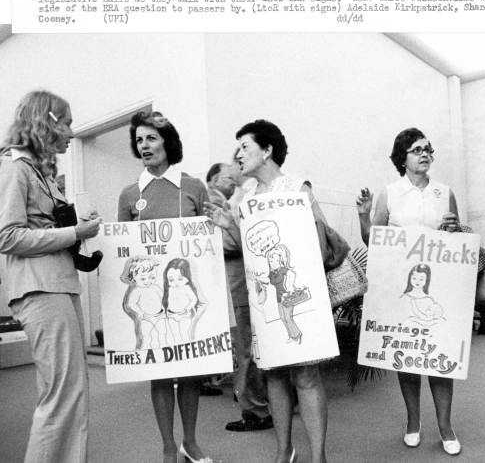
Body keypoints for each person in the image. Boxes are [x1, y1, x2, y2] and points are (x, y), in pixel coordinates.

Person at [206, 120, 330, 463]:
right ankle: (283, 450)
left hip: (297, 287)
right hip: (261, 295)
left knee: (306, 373)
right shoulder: (244, 195)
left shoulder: (296, 187)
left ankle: (318, 456)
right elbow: (240, 246)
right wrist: (226, 225)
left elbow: (318, 243)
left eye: (245, 147)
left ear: (268, 150)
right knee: (273, 372)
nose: (238, 154)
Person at [0, 90, 102, 462]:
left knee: (68, 393)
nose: (72, 133)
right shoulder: (13, 168)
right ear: (48, 121)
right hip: (40, 289)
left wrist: (75, 230)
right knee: (62, 396)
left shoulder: (38, 172)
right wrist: (74, 233)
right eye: (68, 123)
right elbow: (6, 236)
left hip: (56, 285)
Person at [356, 127, 462, 456]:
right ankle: (413, 421)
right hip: (400, 286)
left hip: (438, 285)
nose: (425, 154)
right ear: (402, 157)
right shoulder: (390, 193)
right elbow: (373, 240)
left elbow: (457, 238)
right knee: (409, 356)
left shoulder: (445, 192)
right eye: (417, 149)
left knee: (438, 356)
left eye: (429, 149)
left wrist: (453, 231)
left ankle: (446, 426)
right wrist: (363, 214)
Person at [117, 111, 213, 463]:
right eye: (139, 140)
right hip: (150, 298)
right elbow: (122, 255)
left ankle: (190, 441)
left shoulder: (194, 187)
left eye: (151, 138)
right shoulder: (130, 194)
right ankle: (168, 447)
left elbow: (209, 241)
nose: (144, 146)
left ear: (167, 142)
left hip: (183, 293)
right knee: (158, 371)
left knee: (189, 370)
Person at [205, 161, 272, 432]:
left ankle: (255, 410)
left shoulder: (241, 197)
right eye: (231, 179)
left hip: (239, 281)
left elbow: (229, 243)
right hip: (240, 280)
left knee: (246, 347)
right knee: (249, 345)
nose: (235, 183)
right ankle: (260, 404)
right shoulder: (227, 197)